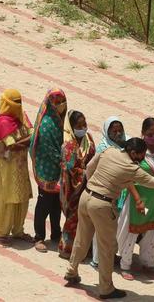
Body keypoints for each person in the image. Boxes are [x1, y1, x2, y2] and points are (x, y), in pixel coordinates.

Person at [63, 138, 154, 299]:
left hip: (86, 197)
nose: (142, 159)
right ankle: (106, 288)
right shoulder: (131, 168)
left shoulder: (109, 151)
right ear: (133, 153)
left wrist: (95, 186)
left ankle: (71, 271)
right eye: (141, 156)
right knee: (107, 248)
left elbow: (89, 168)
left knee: (82, 238)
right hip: (103, 205)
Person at [116, 117, 154, 280]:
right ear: (143, 134)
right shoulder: (138, 149)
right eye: (149, 135)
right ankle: (125, 265)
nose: (153, 138)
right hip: (138, 198)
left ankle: (148, 263)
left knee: (152, 232)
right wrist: (138, 199)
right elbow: (129, 177)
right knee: (132, 231)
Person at [0, 89, 35, 246]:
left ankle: (18, 230)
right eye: (15, 102)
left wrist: (25, 140)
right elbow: (12, 145)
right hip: (7, 169)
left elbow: (32, 134)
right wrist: (27, 139)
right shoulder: (3, 122)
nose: (18, 105)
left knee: (21, 199)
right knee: (6, 199)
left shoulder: (21, 115)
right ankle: (1, 232)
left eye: (20, 101)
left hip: (20, 167)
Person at [29, 88, 67, 252]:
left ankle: (56, 233)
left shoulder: (59, 119)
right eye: (56, 102)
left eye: (61, 102)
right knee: (44, 203)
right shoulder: (47, 123)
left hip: (58, 170)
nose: (60, 105)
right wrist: (65, 161)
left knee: (56, 204)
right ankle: (39, 236)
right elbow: (49, 148)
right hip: (47, 170)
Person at [91, 116, 130, 267]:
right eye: (114, 131)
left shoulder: (126, 145)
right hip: (105, 192)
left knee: (115, 227)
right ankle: (97, 259)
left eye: (120, 130)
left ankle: (111, 256)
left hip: (121, 193)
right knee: (101, 229)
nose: (118, 134)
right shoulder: (103, 149)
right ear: (107, 132)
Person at [58, 110, 96, 258]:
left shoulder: (89, 139)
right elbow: (70, 168)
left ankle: (84, 249)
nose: (83, 128)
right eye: (79, 126)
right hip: (72, 188)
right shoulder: (69, 145)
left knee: (86, 219)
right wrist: (84, 173)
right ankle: (67, 249)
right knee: (73, 218)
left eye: (84, 124)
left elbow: (93, 157)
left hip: (88, 185)